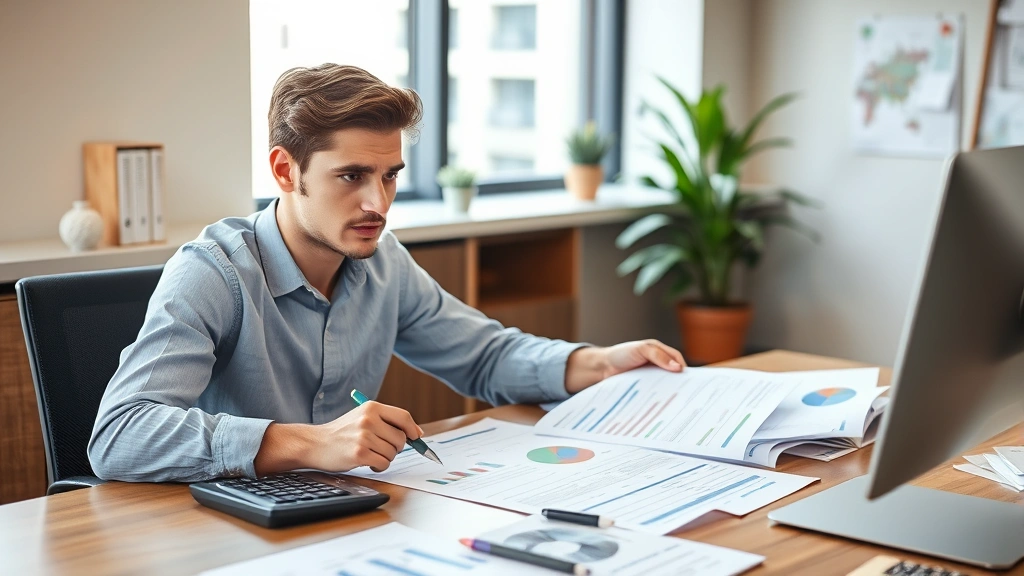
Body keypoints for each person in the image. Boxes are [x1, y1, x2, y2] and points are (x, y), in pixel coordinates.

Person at [88, 64, 685, 482]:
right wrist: (308, 443)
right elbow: (120, 436)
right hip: (221, 529)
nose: (379, 202)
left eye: (391, 175)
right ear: (283, 169)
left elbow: (484, 357)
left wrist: (601, 363)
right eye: (351, 176)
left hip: (343, 516)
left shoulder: (382, 260)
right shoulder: (214, 271)